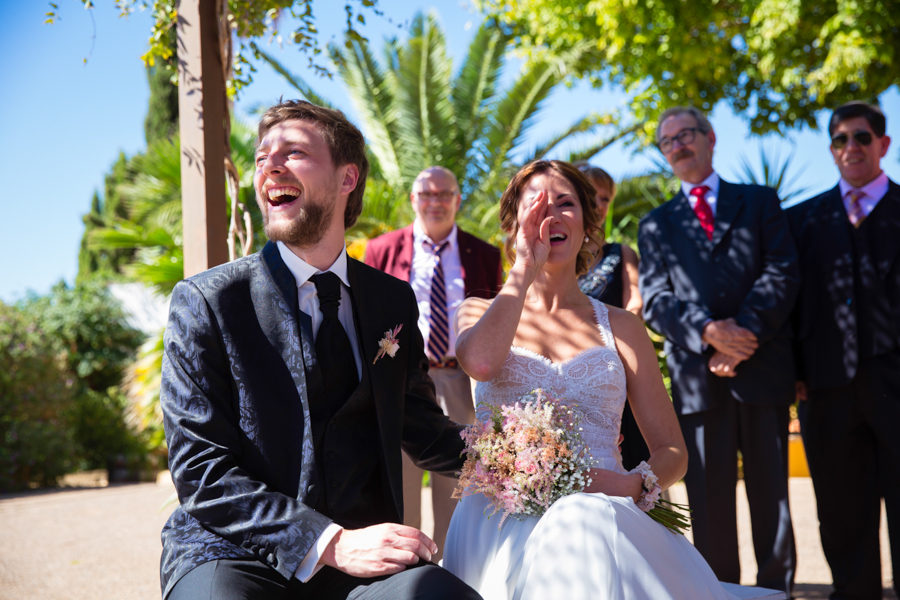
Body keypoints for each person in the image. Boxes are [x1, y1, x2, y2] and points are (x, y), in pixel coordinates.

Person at [158, 100, 480, 600]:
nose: (270, 166)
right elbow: (202, 469)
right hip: (233, 554)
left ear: (347, 177)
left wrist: (524, 458)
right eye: (263, 157)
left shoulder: (391, 300)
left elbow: (422, 427)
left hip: (363, 561)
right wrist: (327, 543)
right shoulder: (207, 301)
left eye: (294, 152)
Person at [443, 159, 738, 599]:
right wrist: (524, 270)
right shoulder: (475, 311)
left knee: (585, 526)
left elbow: (672, 450)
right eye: (535, 205)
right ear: (513, 223)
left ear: (587, 223)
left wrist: (632, 483)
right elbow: (482, 364)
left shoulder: (623, 326)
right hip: (500, 523)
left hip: (606, 516)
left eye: (565, 203)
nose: (551, 215)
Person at [638, 106, 798, 595]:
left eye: (686, 134)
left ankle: (775, 592)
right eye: (668, 141)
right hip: (697, 380)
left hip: (761, 368)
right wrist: (710, 331)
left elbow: (783, 270)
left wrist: (744, 333)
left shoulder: (759, 201)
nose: (678, 145)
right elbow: (657, 300)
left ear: (710, 138)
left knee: (773, 497)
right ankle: (720, 592)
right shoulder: (655, 224)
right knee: (708, 503)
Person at [786, 101, 899, 600]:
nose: (849, 147)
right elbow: (785, 303)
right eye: (839, 139)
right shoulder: (801, 220)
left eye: (860, 137)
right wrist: (793, 371)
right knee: (839, 513)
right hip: (825, 387)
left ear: (883, 144)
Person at [364, 166, 503, 561]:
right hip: (404, 381)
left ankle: (453, 567)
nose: (435, 202)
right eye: (426, 194)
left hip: (462, 380)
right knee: (402, 477)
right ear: (413, 200)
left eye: (444, 194)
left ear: (458, 200)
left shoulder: (484, 254)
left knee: (462, 480)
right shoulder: (381, 250)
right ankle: (405, 569)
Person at [575, 163, 649, 470]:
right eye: (592, 195)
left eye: (606, 198)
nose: (599, 205)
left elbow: (636, 304)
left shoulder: (622, 252)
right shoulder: (553, 255)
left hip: (614, 363)